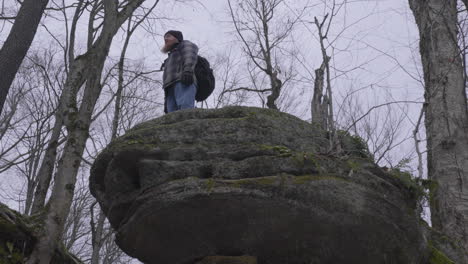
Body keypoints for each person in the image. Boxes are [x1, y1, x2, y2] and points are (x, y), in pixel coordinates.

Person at [161, 30, 199, 113]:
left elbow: (190, 55)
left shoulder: (184, 44)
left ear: (177, 38)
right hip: (170, 87)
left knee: (185, 111)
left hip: (183, 81)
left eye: (168, 36)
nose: (165, 39)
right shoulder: (171, 56)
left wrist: (188, 71)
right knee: (171, 117)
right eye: (164, 38)